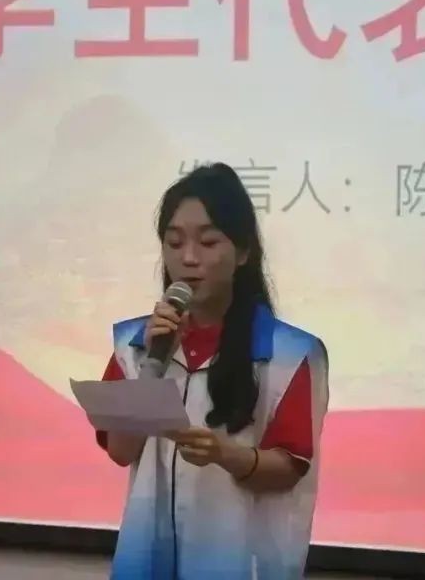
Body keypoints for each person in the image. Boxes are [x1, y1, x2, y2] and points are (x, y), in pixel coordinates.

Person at [93, 162, 330, 579]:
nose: (188, 258)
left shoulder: (290, 354)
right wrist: (153, 364)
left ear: (242, 253)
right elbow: (120, 451)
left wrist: (225, 454)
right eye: (174, 242)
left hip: (235, 561)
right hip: (146, 560)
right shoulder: (134, 344)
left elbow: (290, 468)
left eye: (207, 242)